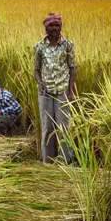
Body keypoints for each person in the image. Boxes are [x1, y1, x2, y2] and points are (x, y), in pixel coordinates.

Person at [33, 12, 76, 162]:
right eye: (51, 25)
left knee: (63, 127)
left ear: (61, 27)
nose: (54, 28)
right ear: (46, 28)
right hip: (45, 93)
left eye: (57, 25)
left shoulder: (68, 45)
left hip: (62, 91)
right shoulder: (39, 47)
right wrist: (40, 84)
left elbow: (72, 68)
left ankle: (65, 160)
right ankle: (48, 161)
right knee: (47, 127)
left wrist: (70, 91)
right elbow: (36, 70)